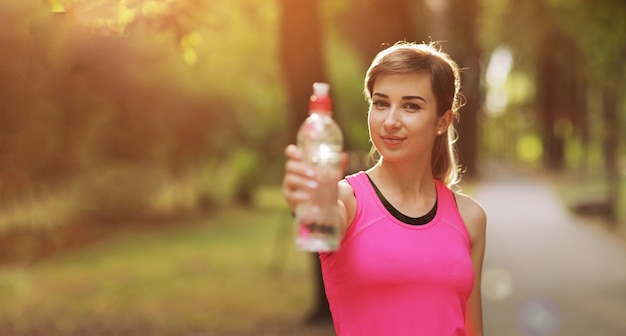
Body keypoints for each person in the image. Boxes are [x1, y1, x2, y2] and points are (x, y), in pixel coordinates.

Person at [282, 41, 487, 336]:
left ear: (442, 121)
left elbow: (473, 329)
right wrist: (307, 199)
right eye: (380, 103)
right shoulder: (347, 200)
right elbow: (323, 219)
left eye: (411, 106)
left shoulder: (470, 217)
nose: (390, 121)